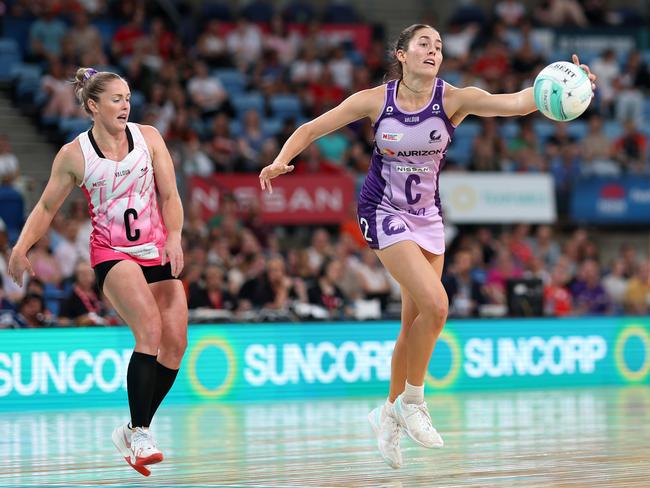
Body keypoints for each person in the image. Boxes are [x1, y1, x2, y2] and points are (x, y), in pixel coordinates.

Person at [259, 24, 597, 469]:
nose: (433, 50)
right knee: (437, 305)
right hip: (382, 210)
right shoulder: (375, 100)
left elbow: (515, 104)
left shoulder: (453, 99)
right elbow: (312, 127)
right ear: (401, 54)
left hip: (427, 218)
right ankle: (412, 403)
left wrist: (570, 84)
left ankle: (387, 414)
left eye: (438, 46)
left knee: (414, 323)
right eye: (423, 43)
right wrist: (283, 158)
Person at [7, 68, 187, 477]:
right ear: (92, 106)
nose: (125, 105)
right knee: (150, 330)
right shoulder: (74, 155)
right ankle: (142, 433)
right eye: (116, 99)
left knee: (175, 344)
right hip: (112, 253)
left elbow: (171, 194)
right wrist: (20, 248)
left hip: (155, 249)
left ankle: (129, 429)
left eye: (128, 98)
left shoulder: (150, 138)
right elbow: (46, 208)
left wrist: (174, 236)